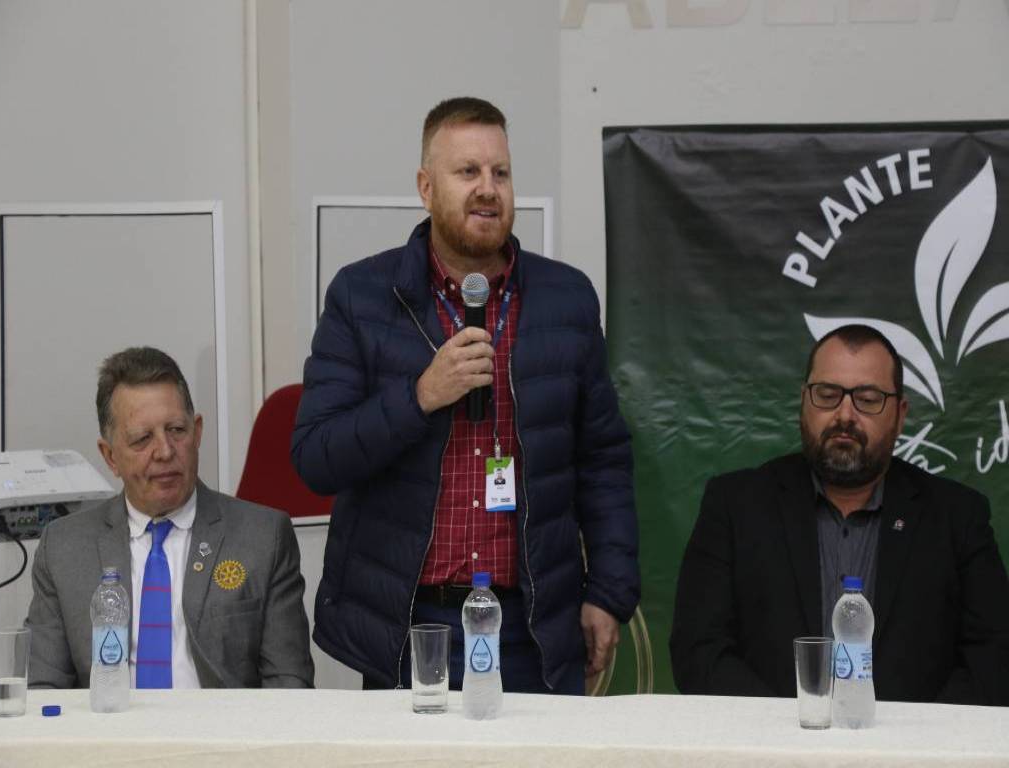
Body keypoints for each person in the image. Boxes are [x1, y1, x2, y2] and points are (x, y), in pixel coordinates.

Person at [292, 96, 639, 694]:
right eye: (468, 172)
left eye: (500, 172)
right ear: (426, 188)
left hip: (531, 626)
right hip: (410, 623)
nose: (488, 189)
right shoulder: (362, 296)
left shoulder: (566, 299)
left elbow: (603, 459)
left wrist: (608, 592)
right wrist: (420, 396)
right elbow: (316, 457)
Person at [670, 324, 1009, 705]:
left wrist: (914, 733)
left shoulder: (957, 516)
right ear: (804, 401)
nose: (845, 415)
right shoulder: (735, 505)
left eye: (868, 399)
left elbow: (994, 656)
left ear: (900, 415)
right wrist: (783, 729)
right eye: (827, 395)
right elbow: (698, 649)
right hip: (766, 740)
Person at [26, 347, 314, 688]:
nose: (164, 451)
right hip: (109, 722)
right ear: (110, 456)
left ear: (198, 432)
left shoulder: (262, 537)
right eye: (142, 439)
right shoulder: (64, 548)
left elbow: (289, 688)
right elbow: (44, 691)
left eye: (176, 430)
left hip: (221, 723)